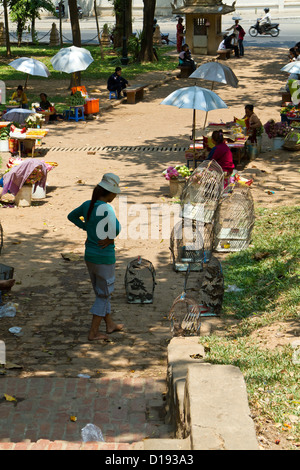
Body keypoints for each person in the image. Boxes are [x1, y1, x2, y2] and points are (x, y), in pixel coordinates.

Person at [67, 173, 123, 341]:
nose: (115, 196)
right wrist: (110, 238)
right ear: (109, 193)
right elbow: (117, 228)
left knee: (101, 292)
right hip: (104, 258)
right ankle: (93, 332)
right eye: (115, 193)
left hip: (90, 256)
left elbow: (72, 216)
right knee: (103, 295)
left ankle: (110, 324)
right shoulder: (107, 209)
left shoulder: (87, 205)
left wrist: (86, 227)